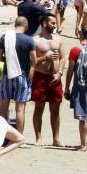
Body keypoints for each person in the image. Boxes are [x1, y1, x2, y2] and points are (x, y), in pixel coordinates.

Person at [0, 17, 36, 134]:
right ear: (26, 25)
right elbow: (34, 61)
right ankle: (18, 136)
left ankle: (0, 135)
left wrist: (10, 60)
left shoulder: (5, 38)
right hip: (22, 75)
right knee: (20, 109)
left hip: (7, 74)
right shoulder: (29, 40)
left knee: (3, 108)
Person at [30, 14, 64, 146]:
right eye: (53, 23)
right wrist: (45, 58)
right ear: (44, 24)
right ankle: (38, 138)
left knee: (55, 109)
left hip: (55, 77)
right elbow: (32, 62)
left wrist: (60, 73)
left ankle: (56, 138)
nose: (55, 25)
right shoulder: (35, 40)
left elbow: (62, 57)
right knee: (39, 108)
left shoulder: (58, 39)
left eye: (55, 23)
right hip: (40, 76)